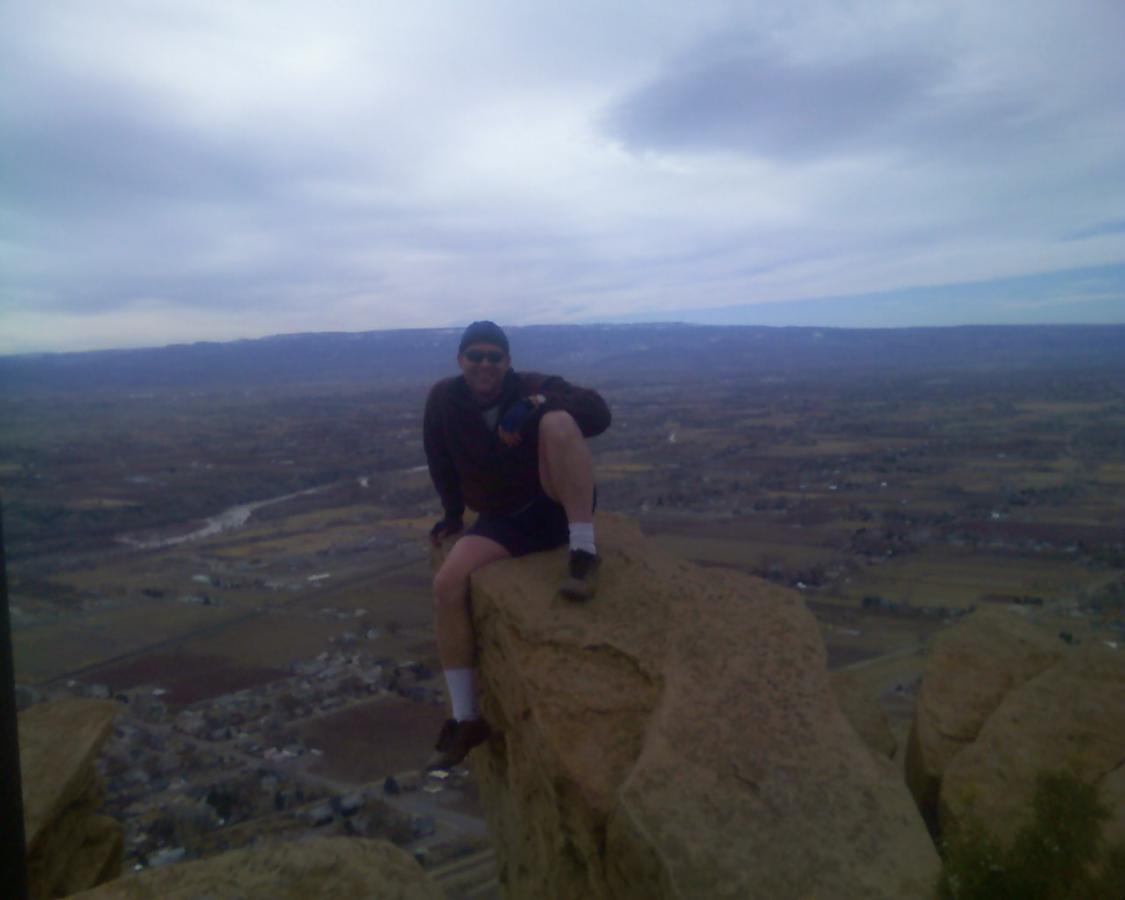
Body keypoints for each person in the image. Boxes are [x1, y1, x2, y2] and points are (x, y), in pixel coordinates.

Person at [422, 320, 611, 769]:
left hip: (553, 504)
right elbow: (439, 456)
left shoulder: (531, 385)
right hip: (504, 519)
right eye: (476, 356)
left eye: (494, 356)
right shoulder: (444, 399)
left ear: (508, 362)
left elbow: (598, 413)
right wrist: (452, 514)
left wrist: (536, 404)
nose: (485, 364)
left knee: (560, 420)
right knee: (447, 585)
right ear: (460, 361)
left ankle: (583, 551)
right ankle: (466, 718)